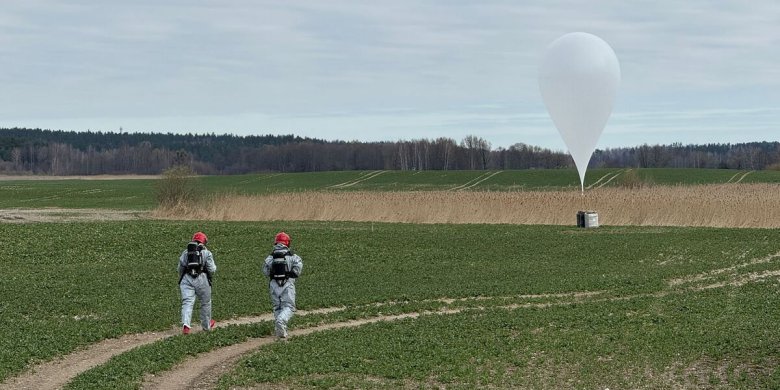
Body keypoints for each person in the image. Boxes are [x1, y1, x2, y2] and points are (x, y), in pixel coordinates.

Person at [262, 231, 303, 339]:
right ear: (287, 243)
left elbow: (265, 272)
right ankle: (281, 321)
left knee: (277, 307)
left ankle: (280, 329)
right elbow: (297, 272)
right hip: (288, 284)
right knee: (289, 306)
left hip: (273, 284)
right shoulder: (294, 257)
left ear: (276, 242)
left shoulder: (270, 257)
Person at [178, 231, 217, 334]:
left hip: (187, 278)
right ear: (204, 241)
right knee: (205, 303)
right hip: (202, 279)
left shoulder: (186, 252)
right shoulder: (206, 253)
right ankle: (206, 326)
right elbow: (212, 269)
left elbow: (180, 268)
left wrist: (185, 277)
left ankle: (186, 325)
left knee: (187, 302)